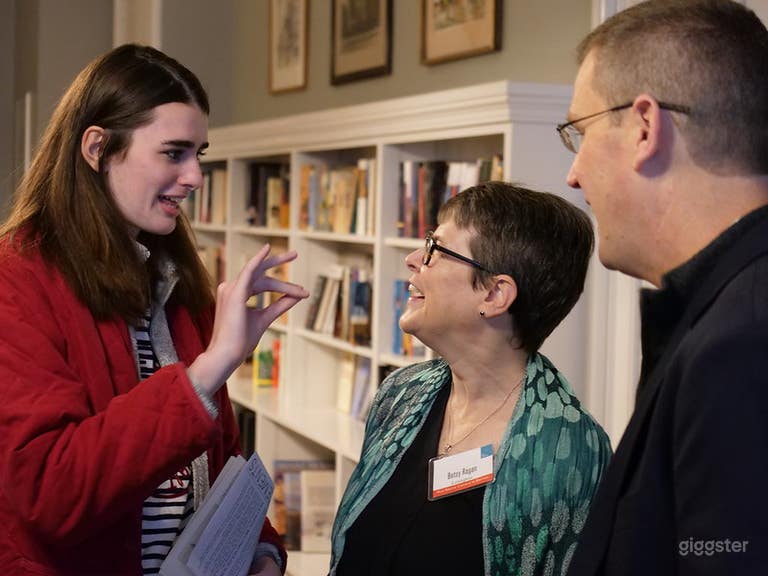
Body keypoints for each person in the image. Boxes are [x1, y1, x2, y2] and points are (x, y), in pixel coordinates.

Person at [0, 44, 309, 575]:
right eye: (174, 153)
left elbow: (221, 465)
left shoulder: (174, 280)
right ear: (97, 148)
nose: (194, 177)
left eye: (199, 154)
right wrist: (210, 368)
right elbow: (52, 493)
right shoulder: (18, 281)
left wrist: (260, 552)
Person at [558, 1, 768, 574]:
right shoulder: (723, 314)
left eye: (580, 132)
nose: (572, 175)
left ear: (645, 127)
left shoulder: (740, 345)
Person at [329, 182, 612, 575]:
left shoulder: (571, 451)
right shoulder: (401, 393)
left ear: (495, 295)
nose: (413, 259)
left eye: (435, 249)